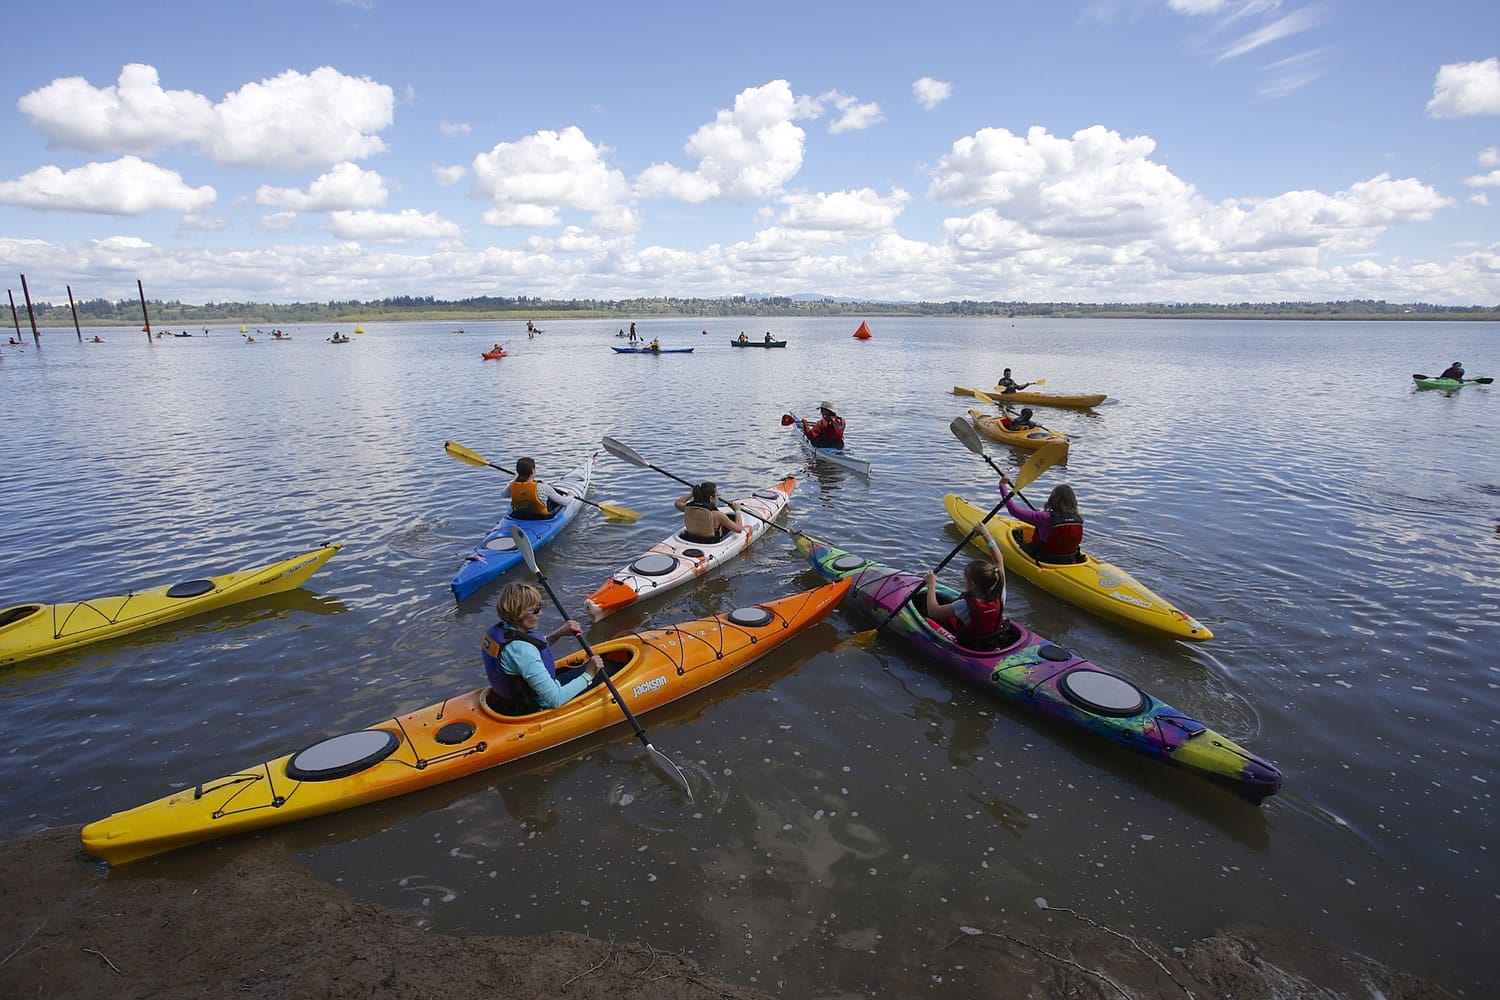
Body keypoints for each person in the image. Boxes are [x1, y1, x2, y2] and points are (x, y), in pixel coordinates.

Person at [482, 582, 603, 712]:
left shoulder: (501, 631)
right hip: (540, 703)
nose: (541, 613)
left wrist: (556, 635)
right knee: (605, 671)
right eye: (535, 610)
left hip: (518, 695)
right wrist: (589, 674)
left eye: (540, 607)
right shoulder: (523, 651)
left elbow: (524, 650)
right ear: (519, 614)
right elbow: (555, 699)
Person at [923, 518, 1009, 649]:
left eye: (965, 579)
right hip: (993, 638)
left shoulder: (963, 606)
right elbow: (998, 560)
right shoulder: (999, 593)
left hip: (971, 645)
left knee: (927, 620)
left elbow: (933, 612)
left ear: (972, 584)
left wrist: (931, 585)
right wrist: (985, 533)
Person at [999, 473, 1084, 563]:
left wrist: (1002, 485)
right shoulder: (1079, 518)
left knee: (1018, 539)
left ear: (1052, 499)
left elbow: (1014, 511)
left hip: (1044, 558)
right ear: (1073, 501)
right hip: (1069, 558)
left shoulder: (1044, 517)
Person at [675, 481, 750, 544]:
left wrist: (693, 493)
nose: (718, 497)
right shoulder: (717, 515)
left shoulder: (687, 508)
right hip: (711, 543)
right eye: (717, 495)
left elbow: (678, 502)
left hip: (691, 539)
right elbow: (739, 529)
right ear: (711, 498)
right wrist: (737, 511)